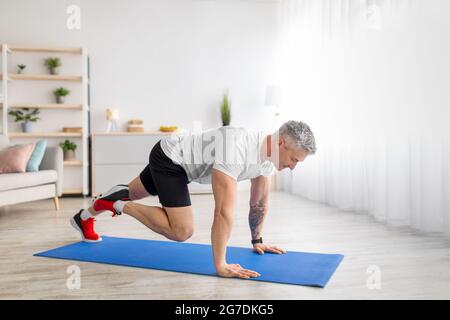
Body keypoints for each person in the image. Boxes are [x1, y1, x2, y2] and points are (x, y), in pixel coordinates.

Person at [70, 120, 316, 279]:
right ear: (281, 143)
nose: (293, 167)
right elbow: (222, 213)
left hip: (178, 157)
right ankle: (117, 204)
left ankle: (84, 217)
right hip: (172, 159)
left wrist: (257, 240)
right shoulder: (238, 147)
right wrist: (221, 264)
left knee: (130, 192)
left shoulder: (270, 160)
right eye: (294, 159)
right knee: (182, 230)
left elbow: (259, 203)